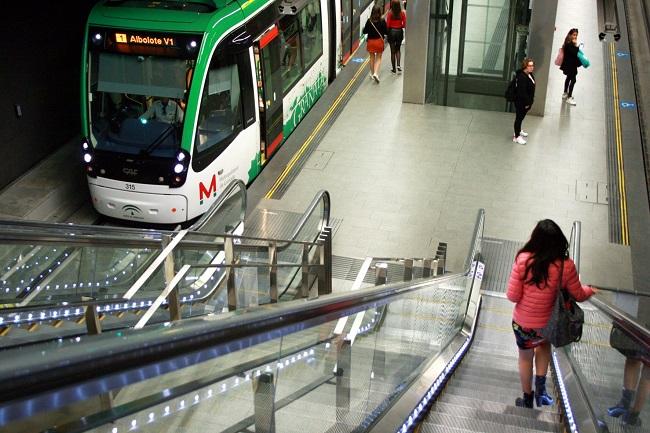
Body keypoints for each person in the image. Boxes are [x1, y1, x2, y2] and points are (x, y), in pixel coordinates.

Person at [507, 219, 596, 409]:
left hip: (523, 324)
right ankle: (541, 392)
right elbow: (578, 295)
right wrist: (590, 290)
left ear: (535, 239)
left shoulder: (523, 260)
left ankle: (527, 399)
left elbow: (512, 296)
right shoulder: (565, 266)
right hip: (547, 324)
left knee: (525, 357)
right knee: (544, 345)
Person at [607, 321, 649, 426]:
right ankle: (632, 416)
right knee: (648, 369)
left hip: (638, 317)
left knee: (633, 355)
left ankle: (624, 404)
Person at [512, 57, 535, 145]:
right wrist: (527, 103)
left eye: (533, 65)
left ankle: (518, 130)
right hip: (522, 102)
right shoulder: (522, 77)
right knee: (519, 118)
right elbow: (522, 92)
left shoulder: (529, 74)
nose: (532, 67)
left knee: (521, 118)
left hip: (526, 102)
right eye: (530, 66)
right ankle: (516, 136)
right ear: (525, 66)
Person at [362, 5, 387, 83]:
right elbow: (386, 32)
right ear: (380, 12)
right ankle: (376, 73)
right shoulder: (382, 20)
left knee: (372, 57)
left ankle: (372, 73)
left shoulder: (369, 21)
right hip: (379, 42)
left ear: (372, 12)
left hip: (371, 42)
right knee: (378, 57)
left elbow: (364, 31)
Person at [560, 28, 581, 106]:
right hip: (571, 65)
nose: (575, 36)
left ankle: (565, 93)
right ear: (570, 35)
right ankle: (569, 97)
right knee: (573, 80)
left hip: (569, 64)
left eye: (576, 35)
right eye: (574, 35)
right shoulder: (569, 44)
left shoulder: (567, 42)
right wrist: (576, 46)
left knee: (568, 78)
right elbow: (574, 53)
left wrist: (575, 45)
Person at [385, 0, 406, 74]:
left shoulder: (390, 13)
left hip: (391, 32)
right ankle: (398, 65)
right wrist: (400, 26)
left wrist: (387, 33)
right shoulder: (402, 13)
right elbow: (404, 24)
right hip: (399, 32)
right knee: (398, 49)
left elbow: (387, 25)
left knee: (392, 51)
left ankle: (394, 69)